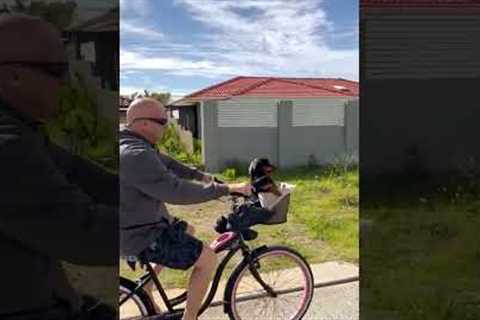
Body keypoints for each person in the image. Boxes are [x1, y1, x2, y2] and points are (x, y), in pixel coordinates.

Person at [0, 15, 117, 319]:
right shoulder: (7, 147)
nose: (67, 82)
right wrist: (145, 225)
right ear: (12, 75)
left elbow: (79, 173)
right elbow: (86, 233)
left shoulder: (19, 130)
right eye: (56, 71)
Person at [120, 98, 250, 320]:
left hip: (140, 222)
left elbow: (170, 164)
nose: (166, 124)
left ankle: (148, 287)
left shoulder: (134, 144)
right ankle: (190, 317)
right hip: (140, 234)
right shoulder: (137, 155)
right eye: (162, 120)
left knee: (187, 228)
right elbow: (177, 192)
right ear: (143, 124)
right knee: (208, 259)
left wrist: (203, 176)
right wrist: (227, 188)